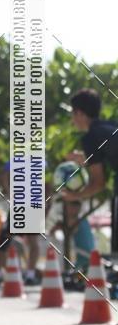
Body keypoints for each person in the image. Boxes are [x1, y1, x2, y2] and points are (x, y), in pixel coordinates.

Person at [65, 89, 118, 255]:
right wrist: (84, 158)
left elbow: (99, 183)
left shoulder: (90, 137)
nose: (72, 120)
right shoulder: (110, 126)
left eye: (72, 114)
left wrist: (75, 196)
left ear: (79, 113)